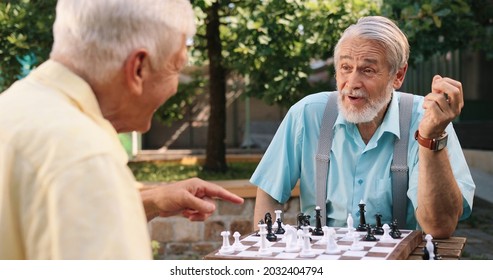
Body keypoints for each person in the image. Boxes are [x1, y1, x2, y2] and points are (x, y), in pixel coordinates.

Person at [0, 0, 243, 259]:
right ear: (138, 68)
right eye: (176, 67)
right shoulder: (86, 159)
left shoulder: (14, 108)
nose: (175, 88)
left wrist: (151, 200)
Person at [251, 16, 475, 239]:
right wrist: (267, 248)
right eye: (346, 67)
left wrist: (430, 138)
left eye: (367, 70)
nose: (352, 82)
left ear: (398, 75)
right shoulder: (307, 113)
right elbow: (269, 194)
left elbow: (440, 226)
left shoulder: (427, 120)